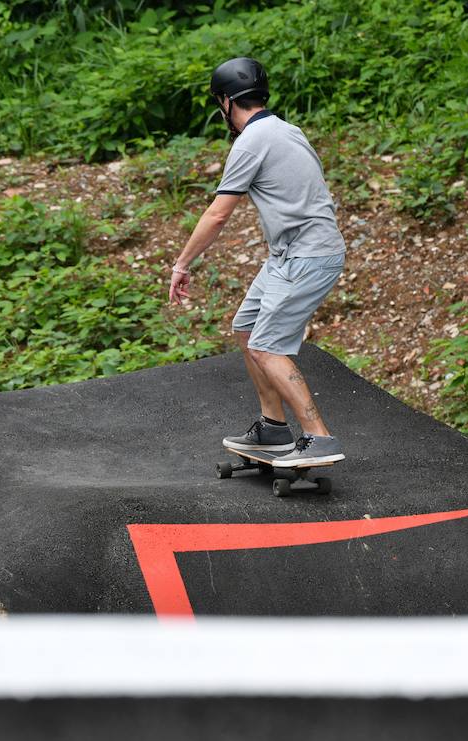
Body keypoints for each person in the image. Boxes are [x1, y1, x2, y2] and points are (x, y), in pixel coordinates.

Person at [168, 57, 347, 468]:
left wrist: (181, 265)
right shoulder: (287, 130)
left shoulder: (251, 140)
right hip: (292, 253)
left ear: (226, 101)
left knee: (267, 345)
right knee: (247, 329)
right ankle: (272, 427)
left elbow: (217, 215)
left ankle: (320, 438)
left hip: (307, 255)